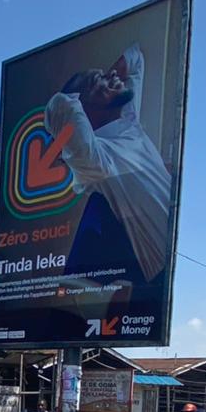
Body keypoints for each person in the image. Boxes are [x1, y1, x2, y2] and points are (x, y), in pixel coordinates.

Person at [44, 43, 172, 288]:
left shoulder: (128, 122)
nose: (112, 74)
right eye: (99, 80)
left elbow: (135, 59)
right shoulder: (95, 159)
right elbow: (59, 105)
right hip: (161, 274)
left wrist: (105, 82)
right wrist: (88, 92)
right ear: (84, 107)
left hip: (183, 247)